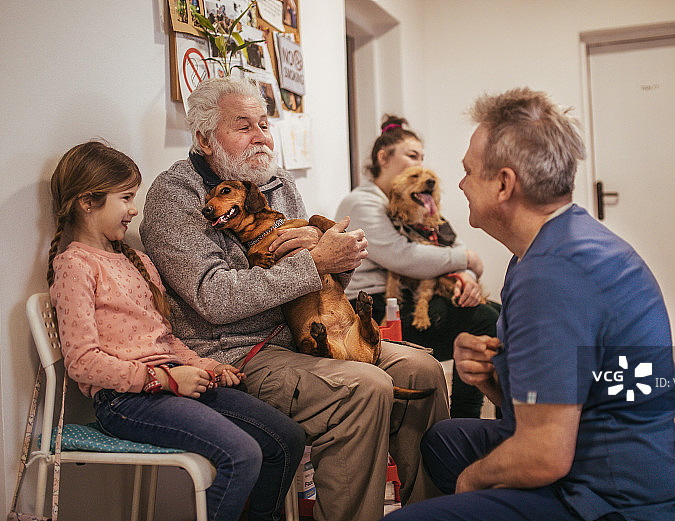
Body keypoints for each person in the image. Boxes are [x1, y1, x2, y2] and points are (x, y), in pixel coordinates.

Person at [139, 78, 449, 521]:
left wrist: (338, 258)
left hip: (304, 334)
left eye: (264, 124)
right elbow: (213, 298)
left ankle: (430, 514)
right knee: (365, 388)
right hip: (237, 354)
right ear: (205, 138)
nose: (261, 136)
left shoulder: (277, 182)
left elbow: (314, 280)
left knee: (422, 371)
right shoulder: (176, 196)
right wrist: (316, 261)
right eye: (243, 126)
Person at [383, 88, 675, 521]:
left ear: (504, 184)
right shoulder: (549, 244)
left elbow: (544, 455)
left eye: (469, 172)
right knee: (443, 440)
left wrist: (471, 483)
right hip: (587, 448)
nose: (459, 184)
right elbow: (561, 387)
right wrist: (492, 377)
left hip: (607, 499)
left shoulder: (552, 274)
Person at [47, 141, 305, 521]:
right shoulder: (75, 266)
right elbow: (83, 363)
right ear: (88, 201)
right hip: (125, 400)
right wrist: (165, 380)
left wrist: (205, 365)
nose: (134, 210)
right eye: (126, 198)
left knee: (287, 440)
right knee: (243, 454)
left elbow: (165, 339)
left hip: (171, 382)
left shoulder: (138, 262)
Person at [336, 115, 500, 419]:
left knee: (500, 318)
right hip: (371, 309)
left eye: (422, 157)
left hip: (407, 300)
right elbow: (405, 257)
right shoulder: (362, 202)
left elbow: (449, 242)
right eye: (412, 156)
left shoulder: (417, 200)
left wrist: (465, 278)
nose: (419, 165)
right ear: (384, 158)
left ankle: (502, 417)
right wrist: (467, 261)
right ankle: (465, 421)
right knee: (483, 321)